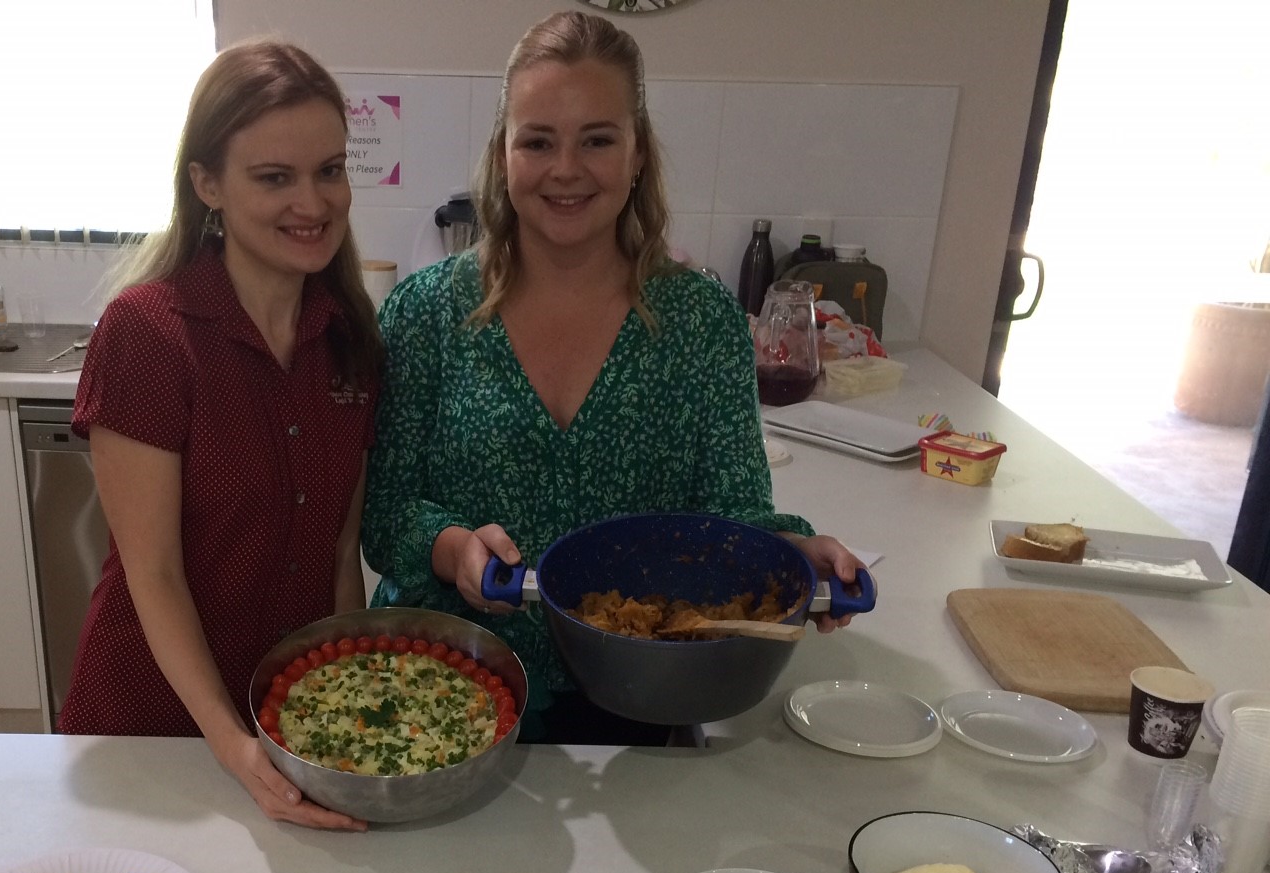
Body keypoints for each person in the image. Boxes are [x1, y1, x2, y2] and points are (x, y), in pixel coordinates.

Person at [361, 10, 861, 745]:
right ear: (505, 155)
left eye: (597, 139)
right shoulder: (427, 313)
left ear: (637, 155)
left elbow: (731, 513)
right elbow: (385, 514)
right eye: (538, 141)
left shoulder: (701, 321)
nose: (567, 169)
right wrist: (451, 546)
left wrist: (790, 550)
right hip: (447, 694)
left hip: (649, 693)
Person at [60, 41, 381, 831]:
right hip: (155, 731)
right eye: (275, 177)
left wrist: (338, 715)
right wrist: (233, 742)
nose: (313, 202)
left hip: (286, 726)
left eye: (329, 171)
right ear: (208, 184)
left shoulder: (348, 339)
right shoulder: (148, 336)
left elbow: (340, 555)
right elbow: (155, 573)